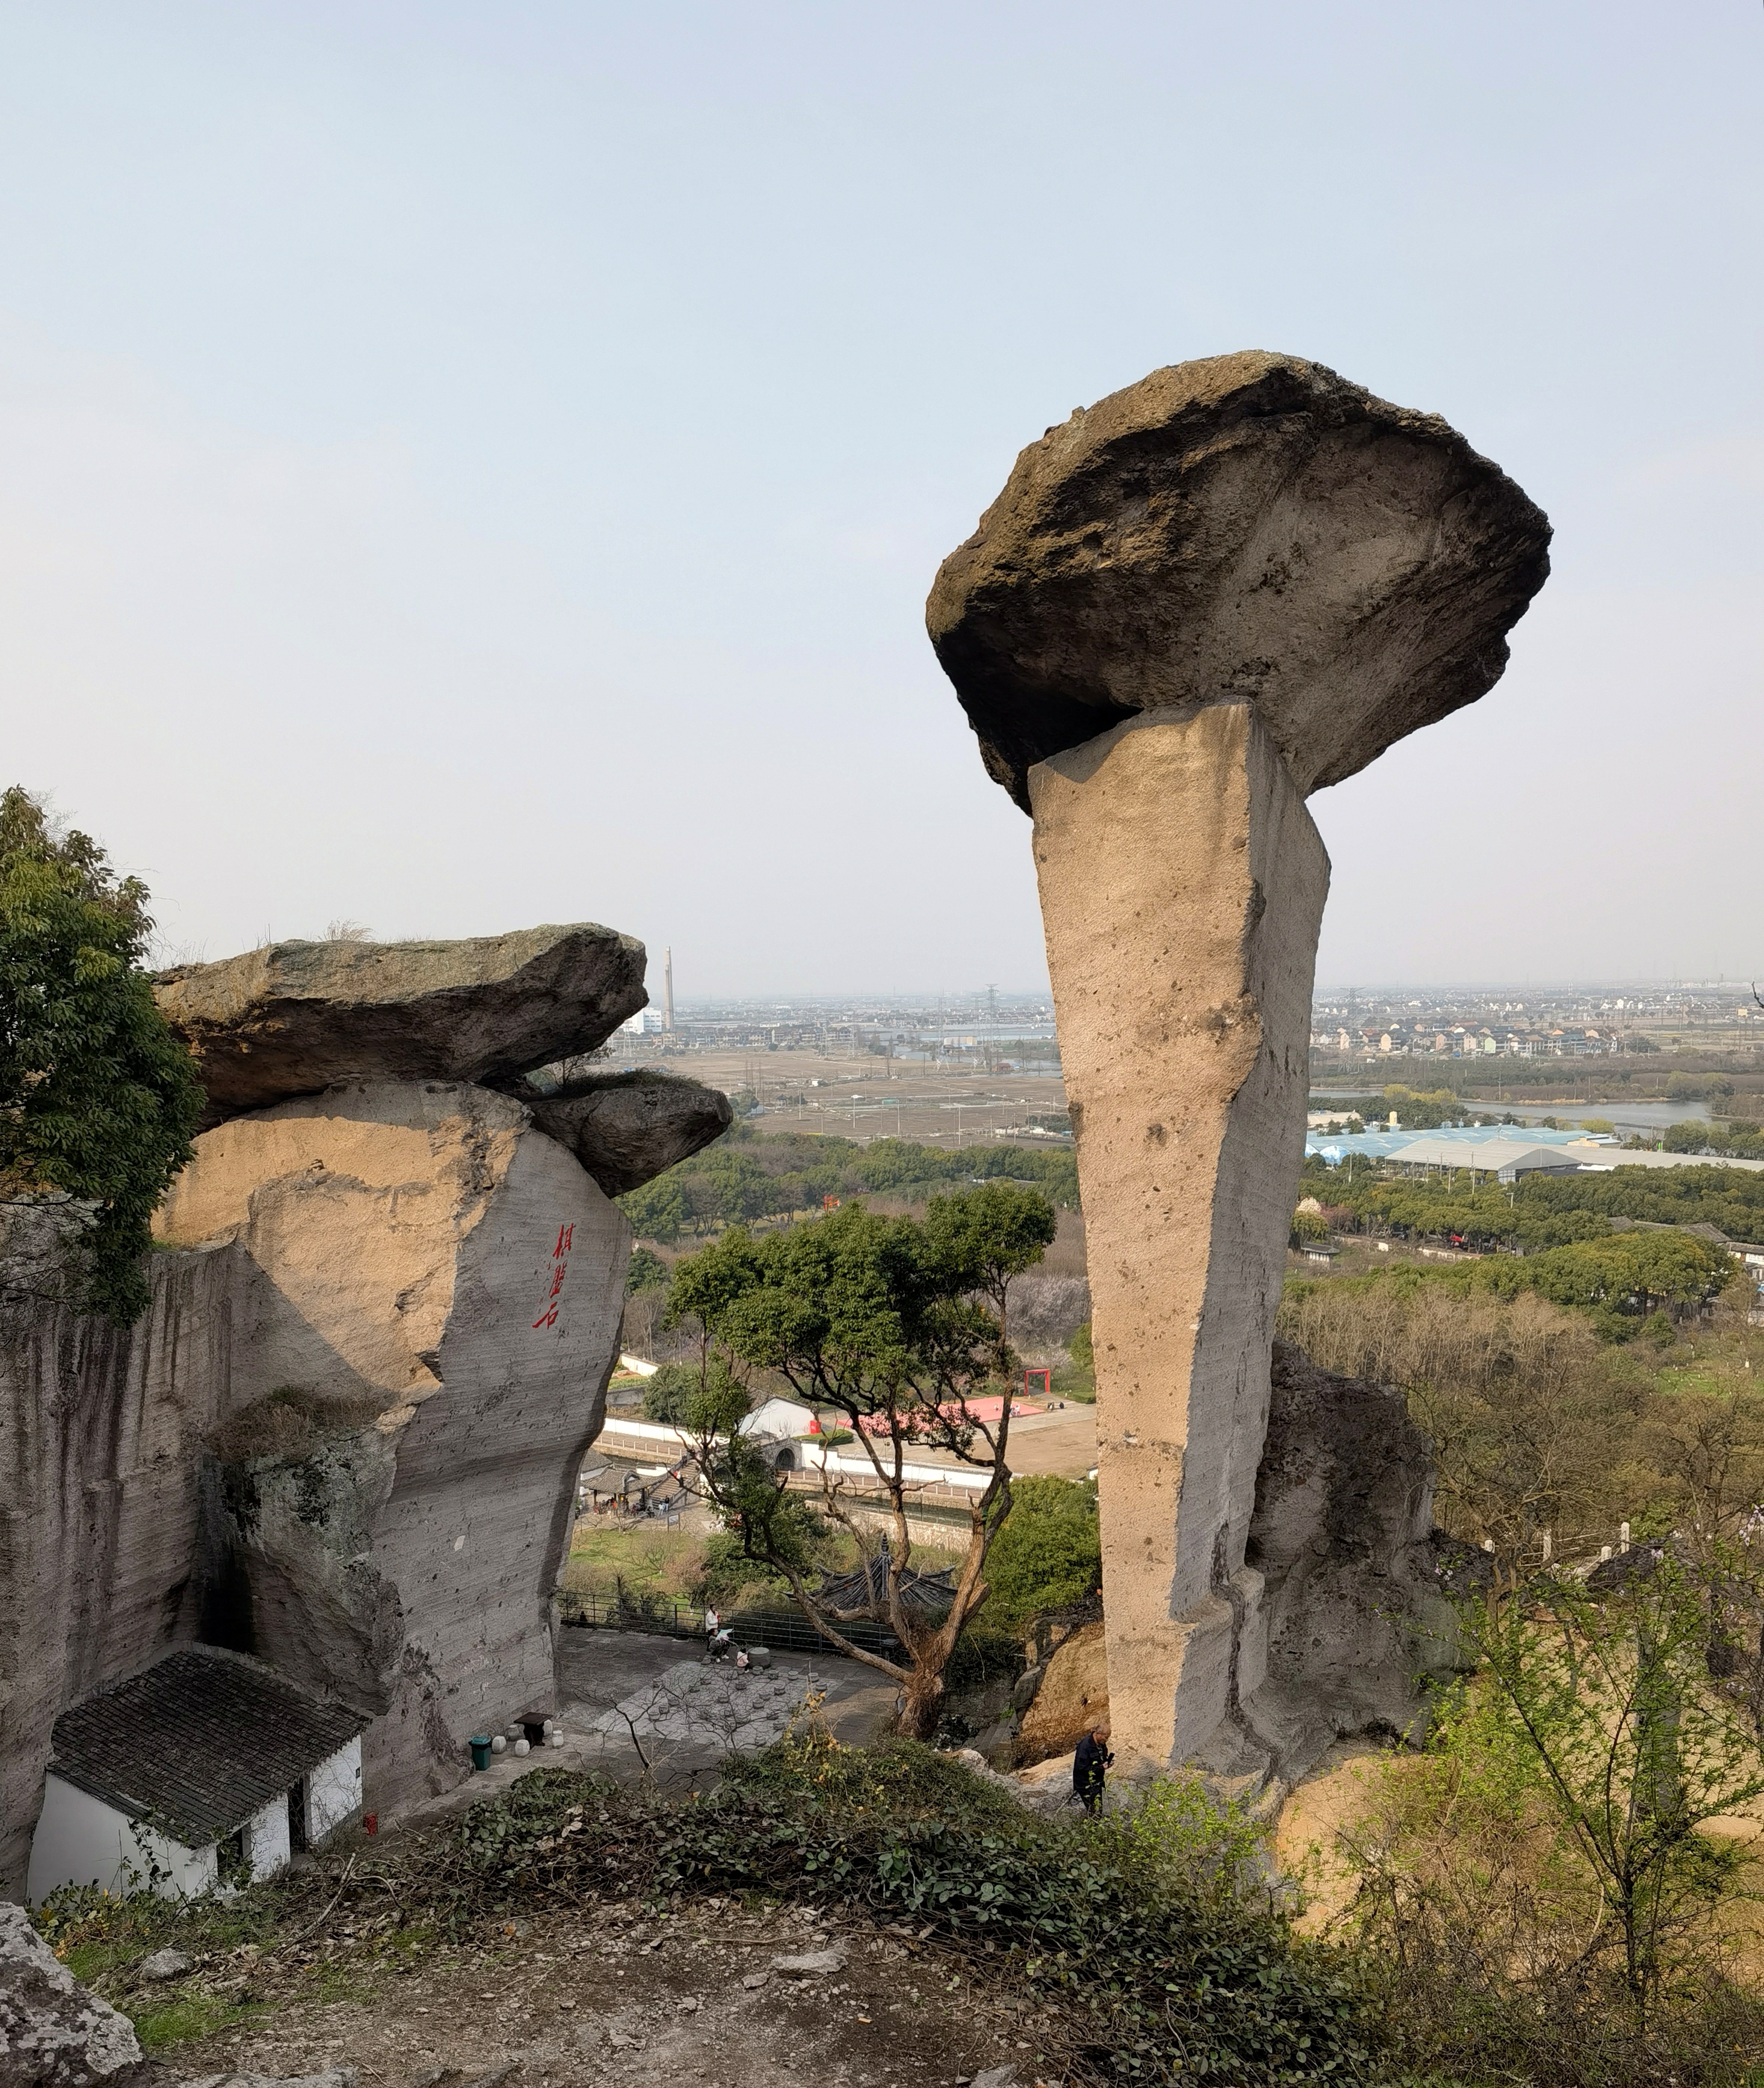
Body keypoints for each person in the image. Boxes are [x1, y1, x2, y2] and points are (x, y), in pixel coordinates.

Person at [1073, 1722, 1112, 1814]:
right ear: (1098, 1734)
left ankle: (1097, 1825)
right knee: (1093, 1811)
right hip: (1086, 1785)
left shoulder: (1101, 1743)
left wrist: (1107, 1761)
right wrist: (1101, 1767)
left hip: (1096, 1782)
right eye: (1106, 1737)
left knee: (1099, 1809)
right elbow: (1082, 1768)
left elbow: (1102, 1757)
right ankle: (1093, 1826)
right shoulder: (1085, 1746)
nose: (1107, 1740)